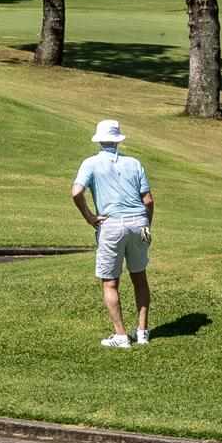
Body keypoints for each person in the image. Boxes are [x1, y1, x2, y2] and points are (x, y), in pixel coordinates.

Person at [70, 118, 156, 348]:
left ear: (100, 140)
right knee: (140, 277)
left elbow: (76, 193)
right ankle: (142, 332)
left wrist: (89, 217)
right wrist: (147, 227)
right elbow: (147, 200)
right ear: (118, 140)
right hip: (139, 223)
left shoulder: (91, 163)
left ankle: (120, 336)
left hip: (111, 225)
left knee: (110, 282)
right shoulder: (134, 163)